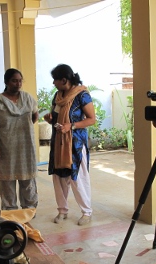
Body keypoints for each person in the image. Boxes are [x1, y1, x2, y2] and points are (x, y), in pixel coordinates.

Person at [43, 64, 96, 226]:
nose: (53, 83)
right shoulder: (58, 95)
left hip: (75, 145)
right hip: (59, 143)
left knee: (78, 178)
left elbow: (92, 119)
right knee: (59, 177)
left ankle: (86, 212)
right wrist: (51, 118)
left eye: (55, 80)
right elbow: (56, 113)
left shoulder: (82, 95)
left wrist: (71, 126)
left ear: (64, 80)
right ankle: (62, 210)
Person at [0, 68, 39, 210]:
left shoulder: (28, 98)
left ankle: (29, 208)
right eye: (14, 81)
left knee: (27, 179)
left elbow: (35, 116)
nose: (18, 84)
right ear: (6, 82)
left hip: (25, 146)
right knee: (7, 180)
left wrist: (23, 129)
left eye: (20, 81)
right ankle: (10, 210)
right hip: (5, 146)